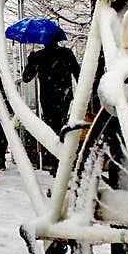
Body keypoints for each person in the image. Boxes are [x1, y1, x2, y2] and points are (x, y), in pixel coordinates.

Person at [22, 37, 80, 174]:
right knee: (62, 127)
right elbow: (78, 74)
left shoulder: (39, 56)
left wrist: (31, 61)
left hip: (48, 98)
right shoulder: (67, 54)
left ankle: (56, 161)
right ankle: (63, 160)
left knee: (51, 129)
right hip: (64, 97)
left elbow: (26, 78)